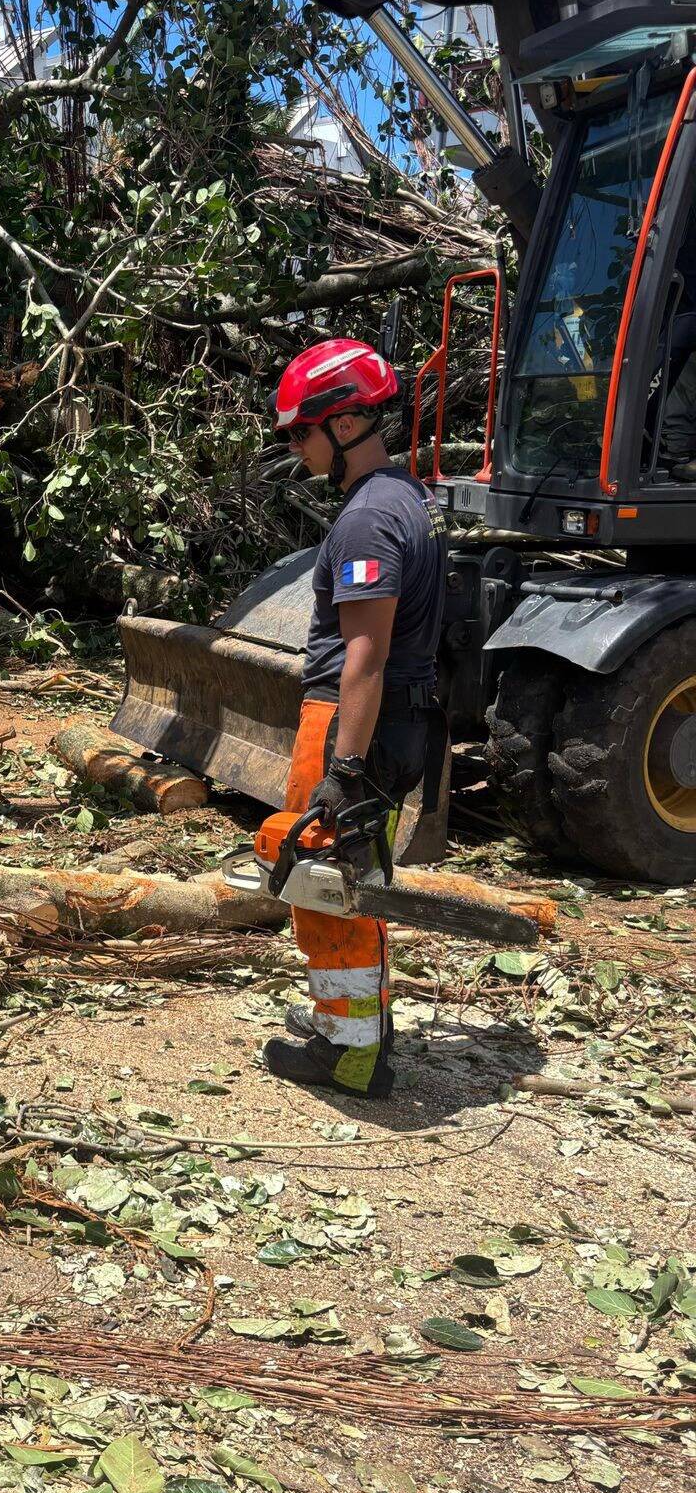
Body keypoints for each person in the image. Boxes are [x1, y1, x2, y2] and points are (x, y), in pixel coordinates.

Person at [259, 339, 447, 1099]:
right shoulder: (404, 499)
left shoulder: (370, 519)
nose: (294, 447)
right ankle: (363, 1029)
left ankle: (348, 1054)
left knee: (321, 883)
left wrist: (343, 770)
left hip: (351, 722)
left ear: (344, 424)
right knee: (351, 880)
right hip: (383, 722)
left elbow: (365, 656)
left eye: (299, 432)